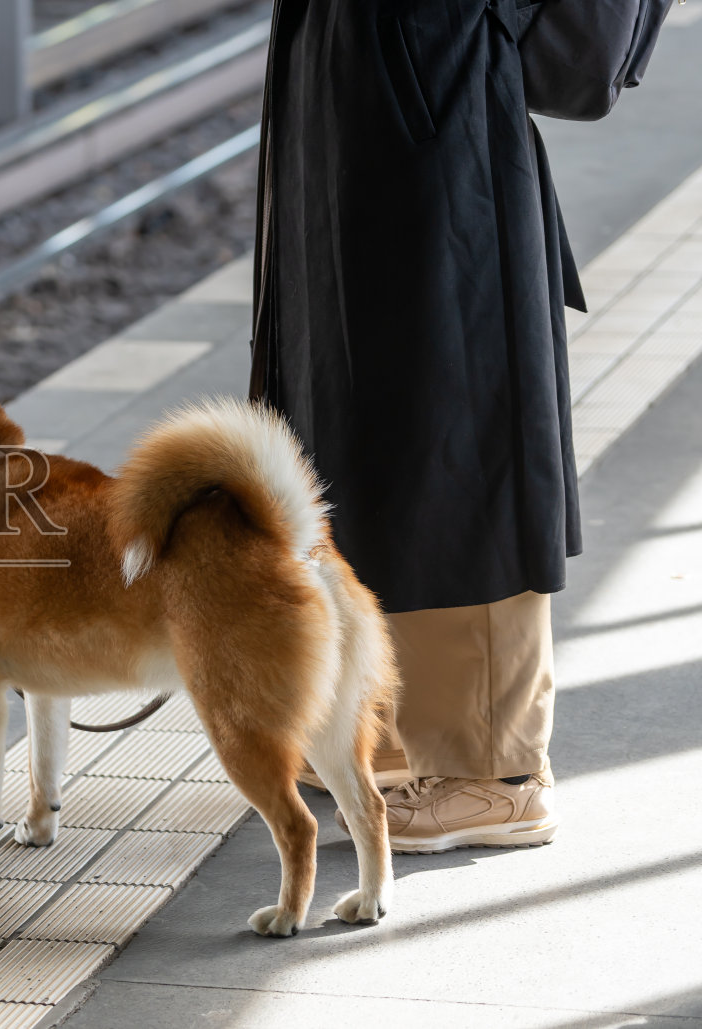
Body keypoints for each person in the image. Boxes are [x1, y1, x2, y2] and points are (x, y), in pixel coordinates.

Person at [251, 0, 578, 852]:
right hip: (350, 66)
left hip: (435, 73)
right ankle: (392, 728)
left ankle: (491, 769)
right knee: (356, 415)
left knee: (457, 407)